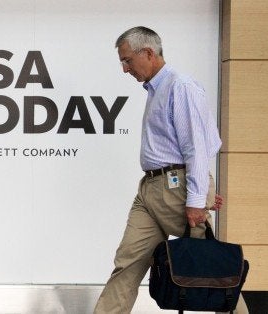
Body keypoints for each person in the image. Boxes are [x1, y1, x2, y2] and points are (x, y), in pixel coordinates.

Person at [93, 26, 248, 313]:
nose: (125, 69)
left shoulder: (181, 86)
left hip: (176, 188)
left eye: (127, 60)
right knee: (127, 263)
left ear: (148, 53)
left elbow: (197, 149)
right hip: (151, 189)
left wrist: (196, 198)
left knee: (208, 266)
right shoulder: (157, 89)